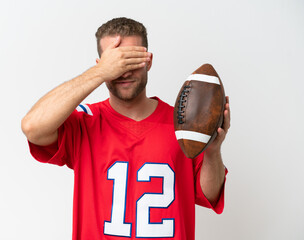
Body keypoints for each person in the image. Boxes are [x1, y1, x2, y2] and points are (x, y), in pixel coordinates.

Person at [21, 17, 230, 240]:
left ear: (149, 61)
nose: (124, 71)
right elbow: (33, 127)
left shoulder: (182, 124)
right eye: (116, 62)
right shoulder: (85, 121)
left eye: (132, 60)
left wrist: (212, 151)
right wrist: (100, 72)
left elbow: (210, 194)